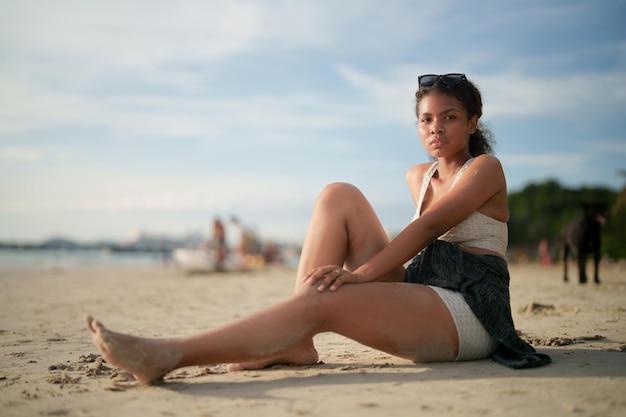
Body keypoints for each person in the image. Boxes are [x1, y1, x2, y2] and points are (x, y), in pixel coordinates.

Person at [85, 73, 550, 385]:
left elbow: (429, 227)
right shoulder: (418, 176)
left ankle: (172, 354)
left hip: (469, 307)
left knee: (331, 296)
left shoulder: (485, 168)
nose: (436, 128)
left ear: (472, 123)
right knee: (337, 193)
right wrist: (367, 273)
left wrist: (362, 275)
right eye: (426, 119)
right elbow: (420, 246)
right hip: (424, 286)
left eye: (450, 117)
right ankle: (297, 341)